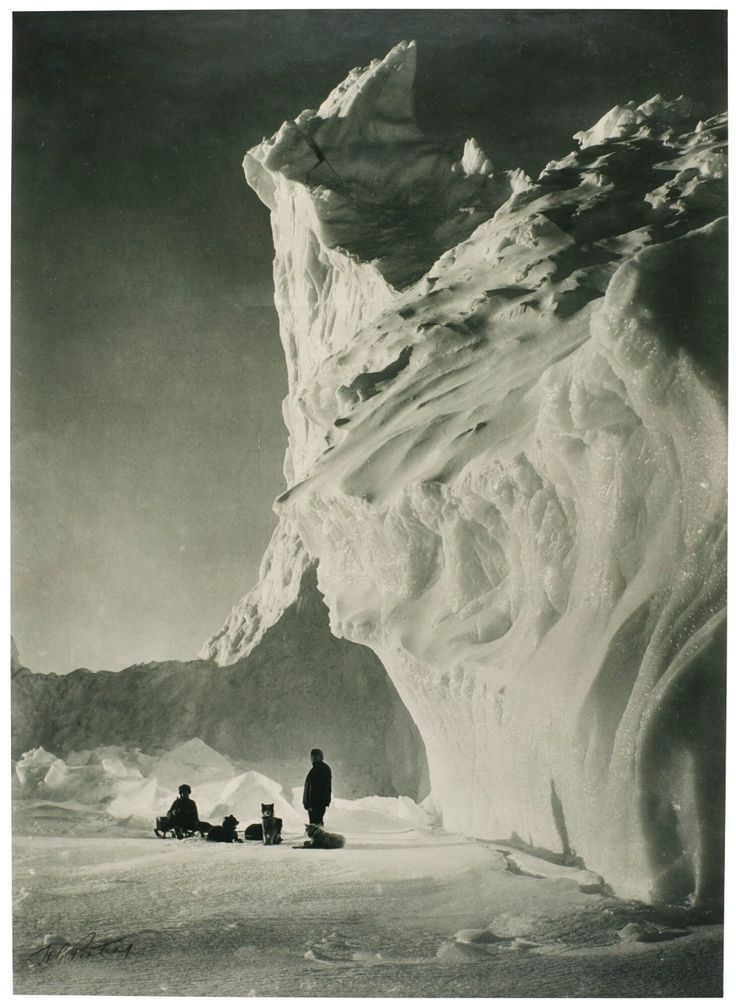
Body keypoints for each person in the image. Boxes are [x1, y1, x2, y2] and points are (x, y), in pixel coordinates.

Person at [303, 748, 332, 826]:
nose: (313, 758)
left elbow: (323, 788)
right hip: (314, 804)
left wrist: (312, 804)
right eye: (312, 756)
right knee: (314, 825)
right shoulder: (315, 769)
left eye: (315, 756)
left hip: (317, 804)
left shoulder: (322, 769)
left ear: (320, 757)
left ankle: (318, 838)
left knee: (316, 825)